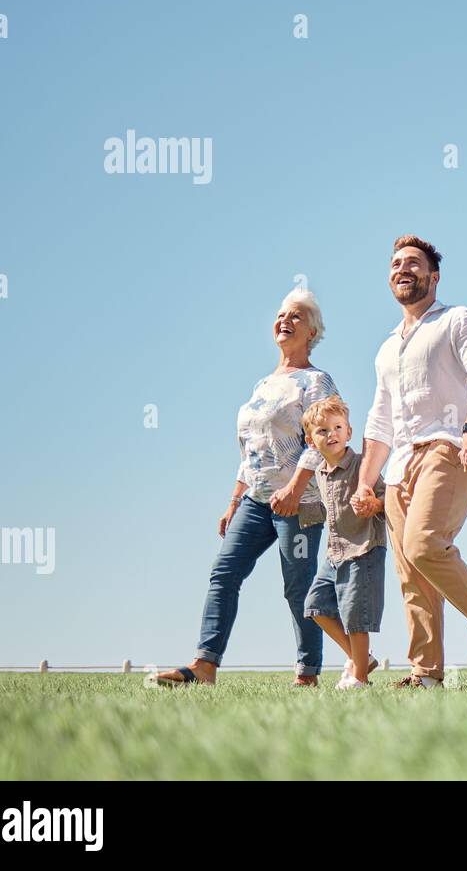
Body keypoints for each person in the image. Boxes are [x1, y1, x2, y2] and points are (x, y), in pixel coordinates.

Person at [355, 235, 467, 690]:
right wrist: (367, 482)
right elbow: (380, 420)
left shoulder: (459, 320)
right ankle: (426, 674)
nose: (402, 269)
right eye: (395, 264)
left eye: (413, 263)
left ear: (434, 275)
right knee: (411, 569)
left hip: (449, 447)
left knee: (425, 544)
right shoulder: (387, 348)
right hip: (398, 466)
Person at [156, 289, 337, 688]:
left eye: (296, 316)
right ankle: (205, 665)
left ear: (312, 331)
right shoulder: (262, 385)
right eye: (280, 314)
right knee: (224, 573)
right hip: (255, 502)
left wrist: (294, 488)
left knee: (297, 587)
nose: (285, 320)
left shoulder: (316, 381)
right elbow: (251, 449)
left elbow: (322, 440)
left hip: (300, 503)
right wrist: (233, 501)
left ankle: (309, 673)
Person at [301, 395, 388, 690]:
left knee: (355, 616)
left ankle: (360, 677)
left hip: (363, 548)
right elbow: (324, 509)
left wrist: (375, 503)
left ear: (349, 432)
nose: (332, 434)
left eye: (338, 427)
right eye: (323, 431)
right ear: (311, 441)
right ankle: (359, 657)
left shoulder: (362, 466)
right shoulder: (320, 474)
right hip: (335, 553)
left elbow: (388, 498)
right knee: (315, 606)